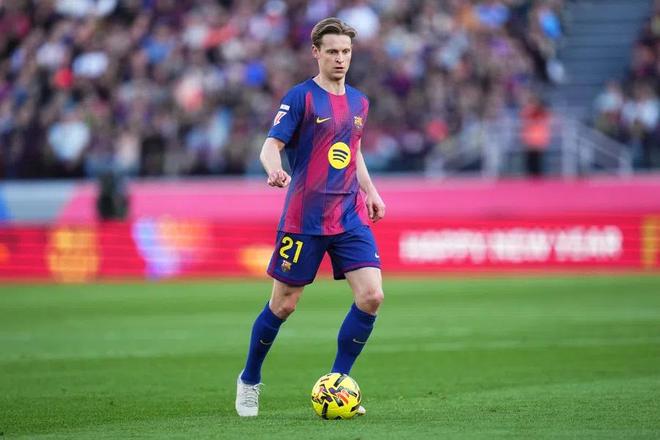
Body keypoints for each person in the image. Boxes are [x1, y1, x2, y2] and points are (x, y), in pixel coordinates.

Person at [235, 17, 386, 417]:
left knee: (372, 296)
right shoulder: (300, 97)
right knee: (283, 305)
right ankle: (249, 379)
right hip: (305, 218)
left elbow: (353, 151)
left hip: (349, 215)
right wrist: (274, 170)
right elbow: (270, 146)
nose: (340, 59)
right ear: (316, 53)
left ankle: (338, 385)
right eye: (333, 51)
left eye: (346, 52)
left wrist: (370, 191)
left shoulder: (359, 102)